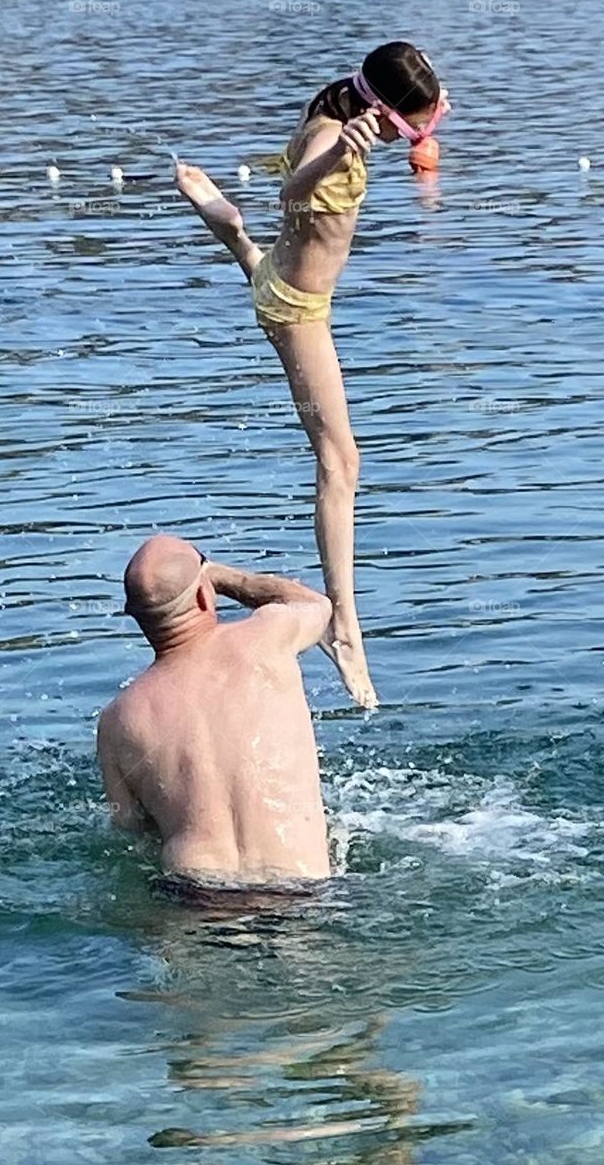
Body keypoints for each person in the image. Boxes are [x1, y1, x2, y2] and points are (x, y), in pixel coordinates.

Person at [174, 42, 449, 712]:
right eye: (407, 127)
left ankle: (226, 226)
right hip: (297, 310)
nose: (411, 139)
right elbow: (291, 187)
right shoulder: (334, 133)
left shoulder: (351, 108)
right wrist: (334, 154)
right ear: (378, 109)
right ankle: (345, 630)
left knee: (262, 261)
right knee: (340, 462)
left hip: (287, 280)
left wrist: (422, 122)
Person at [97, 534, 338, 894]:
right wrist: (227, 578)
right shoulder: (266, 637)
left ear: (136, 617)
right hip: (299, 888)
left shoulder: (118, 720)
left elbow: (131, 829)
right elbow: (316, 604)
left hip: (195, 897)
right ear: (203, 594)